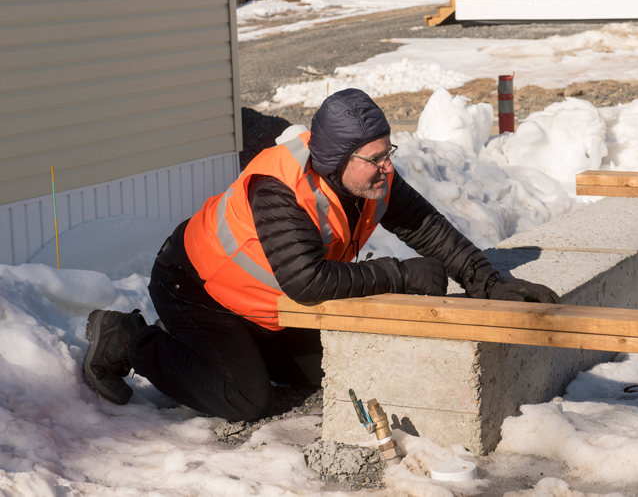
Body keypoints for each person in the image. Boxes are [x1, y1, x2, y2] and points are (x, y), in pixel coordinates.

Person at [82, 89, 560, 420]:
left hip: (258, 301)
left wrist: (487, 282)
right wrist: (398, 274)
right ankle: (127, 340)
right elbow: (307, 282)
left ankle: (215, 351)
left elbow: (426, 228)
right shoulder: (280, 189)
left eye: (386, 151)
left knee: (331, 371)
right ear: (336, 160)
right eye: (374, 158)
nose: (387, 166)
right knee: (245, 397)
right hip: (194, 288)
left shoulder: (373, 178)